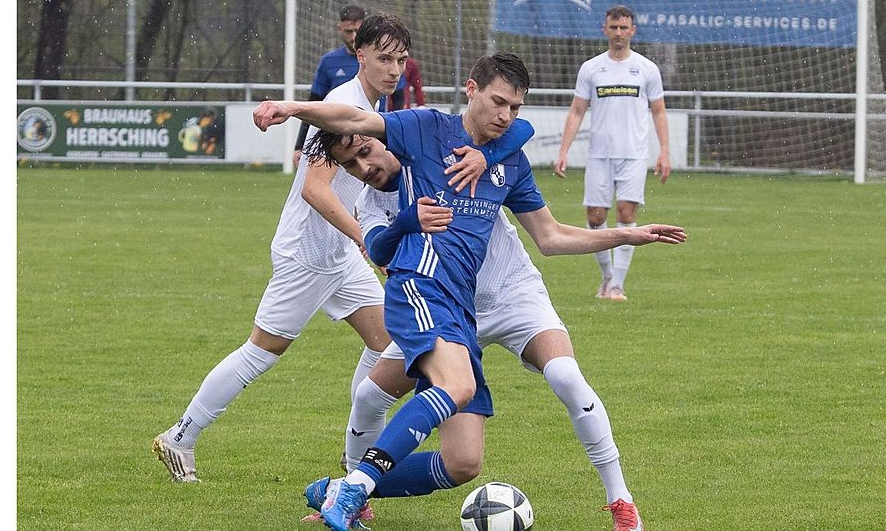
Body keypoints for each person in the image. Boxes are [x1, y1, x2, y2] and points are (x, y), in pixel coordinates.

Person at [252, 51, 686, 531]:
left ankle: (622, 504)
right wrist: (293, 108)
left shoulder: (499, 153)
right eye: (497, 102)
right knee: (370, 395)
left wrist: (626, 234)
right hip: (439, 300)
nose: (366, 163)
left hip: (507, 295)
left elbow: (551, 236)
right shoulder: (405, 155)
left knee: (550, 390)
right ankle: (354, 491)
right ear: (471, 89)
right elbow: (372, 227)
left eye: (512, 107)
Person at [150, 13, 414, 486]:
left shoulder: (375, 105)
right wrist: (364, 237)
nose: (394, 69)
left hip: (338, 254)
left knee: (390, 345)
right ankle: (180, 436)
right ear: (361, 56)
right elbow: (316, 188)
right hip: (308, 254)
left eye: (400, 59)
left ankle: (356, 457)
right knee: (262, 352)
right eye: (383, 59)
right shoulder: (342, 103)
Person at [554, 5, 672, 302]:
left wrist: (664, 152)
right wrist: (563, 150)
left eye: (624, 27)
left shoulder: (646, 68)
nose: (618, 33)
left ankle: (618, 285)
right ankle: (606, 278)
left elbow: (658, 112)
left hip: (633, 154)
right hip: (599, 155)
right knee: (595, 218)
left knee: (626, 213)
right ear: (604, 30)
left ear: (633, 30)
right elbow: (578, 110)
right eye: (614, 27)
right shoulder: (592, 68)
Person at [293, 4, 405, 167]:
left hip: (375, 136)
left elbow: (399, 101)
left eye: (357, 31)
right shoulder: (333, 72)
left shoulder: (382, 82)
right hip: (339, 136)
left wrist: (394, 136)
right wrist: (299, 145)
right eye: (348, 31)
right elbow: (314, 103)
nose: (353, 37)